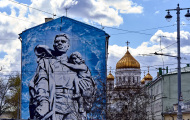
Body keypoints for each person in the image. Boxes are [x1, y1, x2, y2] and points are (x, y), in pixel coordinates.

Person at [29, 33, 96, 120]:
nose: (60, 43)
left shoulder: (75, 64)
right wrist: (44, 102)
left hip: (72, 104)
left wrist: (87, 89)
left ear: (68, 46)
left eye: (63, 41)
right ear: (54, 45)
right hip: (55, 102)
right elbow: (42, 83)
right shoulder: (46, 63)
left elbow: (88, 86)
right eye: (57, 42)